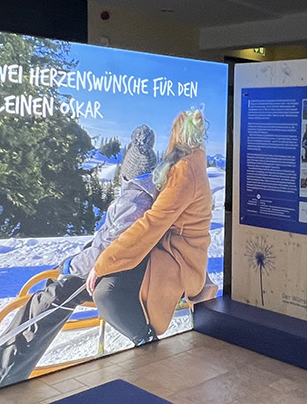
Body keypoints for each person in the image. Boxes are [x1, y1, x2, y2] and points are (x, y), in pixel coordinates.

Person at [0, 125, 160, 392]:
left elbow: (108, 250)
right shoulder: (140, 196)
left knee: (48, 300)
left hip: (114, 273)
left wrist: (70, 266)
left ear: (128, 172)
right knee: (48, 294)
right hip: (117, 268)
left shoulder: (134, 202)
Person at [88, 109, 215, 345]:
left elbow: (153, 223)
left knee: (107, 293)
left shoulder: (185, 170)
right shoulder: (193, 164)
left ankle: (146, 342)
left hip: (178, 260)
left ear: (176, 136)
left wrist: (103, 262)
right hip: (182, 255)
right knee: (112, 283)